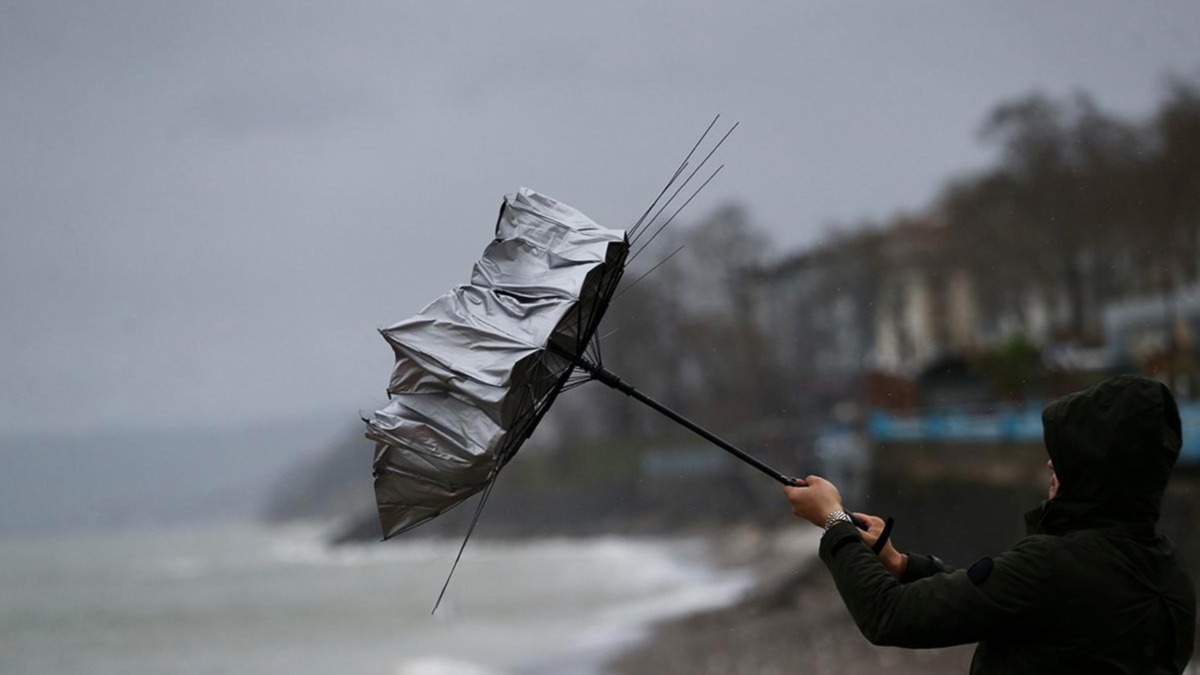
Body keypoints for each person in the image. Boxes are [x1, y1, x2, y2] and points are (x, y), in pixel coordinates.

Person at [783, 374, 1196, 673]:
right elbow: (1003, 601)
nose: (1050, 463)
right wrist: (901, 565)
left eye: (1066, 454)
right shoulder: (1170, 574)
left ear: (1097, 469)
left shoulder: (1052, 567)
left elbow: (889, 615)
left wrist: (833, 520)